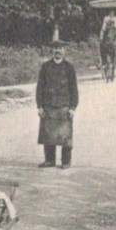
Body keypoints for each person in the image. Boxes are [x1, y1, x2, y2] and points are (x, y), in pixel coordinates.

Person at [36, 39, 79, 168]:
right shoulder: (45, 67)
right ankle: (49, 160)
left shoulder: (69, 68)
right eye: (55, 49)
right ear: (52, 51)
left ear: (64, 51)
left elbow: (74, 89)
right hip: (49, 105)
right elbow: (40, 88)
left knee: (65, 136)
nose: (58, 51)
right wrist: (40, 106)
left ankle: (66, 162)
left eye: (60, 49)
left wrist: (72, 107)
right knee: (48, 134)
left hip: (64, 106)